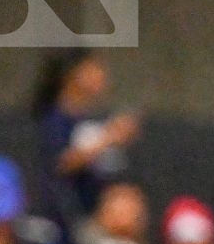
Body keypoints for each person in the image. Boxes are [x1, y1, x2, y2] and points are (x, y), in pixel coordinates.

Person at [33, 50, 138, 223]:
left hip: (99, 216)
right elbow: (62, 163)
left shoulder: (94, 116)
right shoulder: (56, 119)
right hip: (67, 218)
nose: (101, 75)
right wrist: (109, 137)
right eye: (93, 69)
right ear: (74, 74)